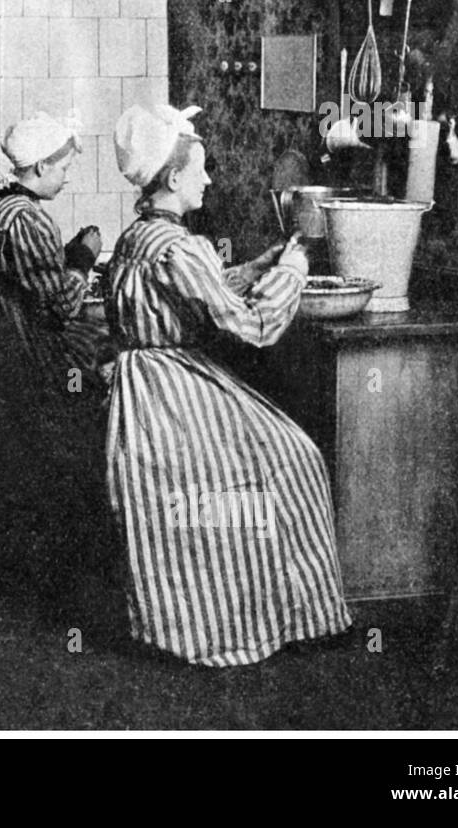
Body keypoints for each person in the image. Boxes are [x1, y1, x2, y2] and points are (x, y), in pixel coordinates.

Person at [104, 98, 351, 666]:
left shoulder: (139, 238)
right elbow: (256, 327)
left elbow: (199, 288)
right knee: (295, 458)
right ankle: (258, 621)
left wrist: (260, 264)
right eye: (200, 170)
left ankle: (195, 622)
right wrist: (293, 269)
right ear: (172, 177)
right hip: (175, 394)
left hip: (141, 391)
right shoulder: (183, 248)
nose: (209, 179)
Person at [0, 109, 115, 598]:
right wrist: (81, 260)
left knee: (16, 453)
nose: (67, 177)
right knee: (66, 440)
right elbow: (59, 306)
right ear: (36, 170)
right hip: (31, 347)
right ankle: (66, 572)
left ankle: (16, 564)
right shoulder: (30, 220)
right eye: (62, 168)